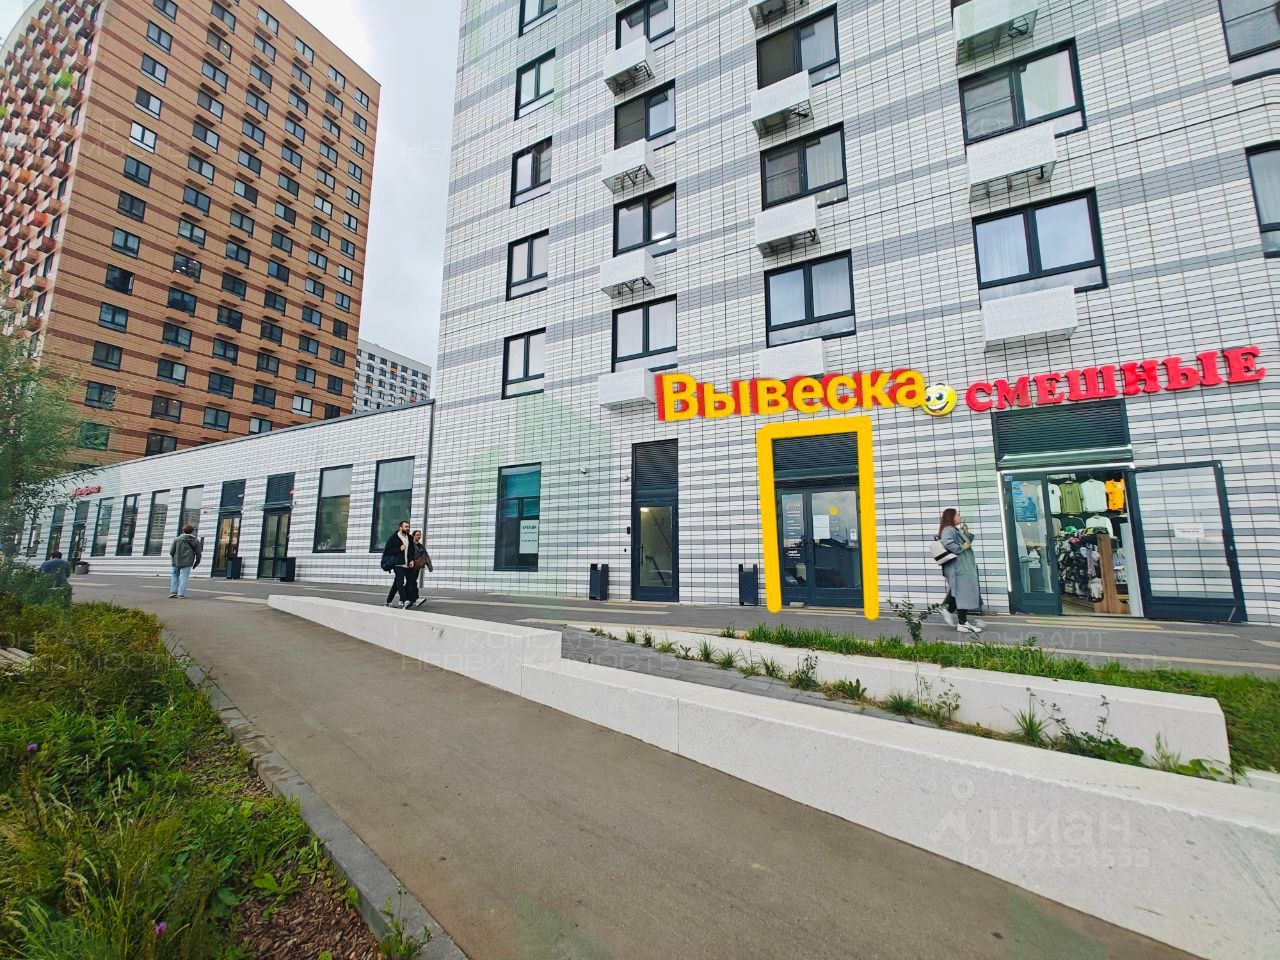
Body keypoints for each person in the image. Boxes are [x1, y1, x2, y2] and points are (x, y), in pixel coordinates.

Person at [937, 508, 984, 634]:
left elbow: (966, 544)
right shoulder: (949, 529)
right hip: (959, 567)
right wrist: (961, 547)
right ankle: (961, 622)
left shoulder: (954, 530)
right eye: (957, 515)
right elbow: (947, 543)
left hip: (962, 566)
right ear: (951, 517)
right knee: (963, 593)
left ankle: (953, 613)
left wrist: (966, 534)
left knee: (961, 592)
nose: (959, 516)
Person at [382, 520, 413, 608]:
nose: (407, 528)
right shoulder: (393, 538)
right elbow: (387, 551)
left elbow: (411, 551)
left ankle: (388, 602)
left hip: (406, 564)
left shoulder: (409, 538)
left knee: (396, 584)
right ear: (400, 527)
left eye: (408, 527)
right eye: (406, 527)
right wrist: (399, 549)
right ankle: (405, 600)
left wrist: (411, 560)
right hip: (397, 564)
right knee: (400, 582)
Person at [168, 524, 202, 599]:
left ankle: (173, 592)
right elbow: (198, 553)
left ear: (183, 531)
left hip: (176, 561)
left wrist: (174, 557)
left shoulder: (177, 539)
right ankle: (181, 594)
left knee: (174, 575)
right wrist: (196, 562)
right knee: (184, 577)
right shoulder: (195, 541)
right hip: (188, 561)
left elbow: (171, 551)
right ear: (192, 532)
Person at [402, 530, 434, 609]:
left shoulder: (421, 546)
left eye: (420, 535)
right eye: (417, 535)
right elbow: (406, 554)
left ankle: (404, 599)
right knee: (413, 582)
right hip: (410, 567)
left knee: (410, 583)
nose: (419, 536)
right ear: (413, 536)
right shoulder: (410, 545)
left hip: (417, 567)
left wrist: (429, 566)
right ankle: (415, 599)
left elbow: (426, 556)